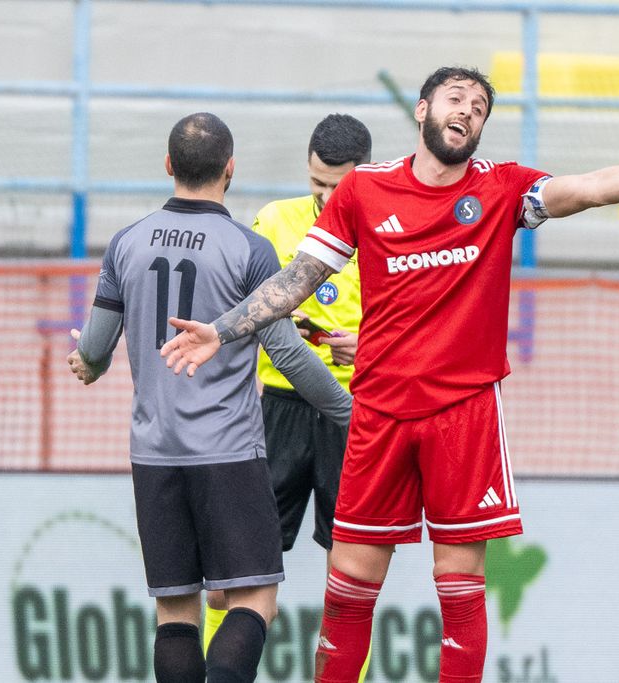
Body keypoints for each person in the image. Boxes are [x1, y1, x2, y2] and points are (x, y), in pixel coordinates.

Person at [160, 66, 619, 683]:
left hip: (464, 415)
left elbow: (587, 188)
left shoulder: (501, 189)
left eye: (479, 107)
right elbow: (297, 280)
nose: (466, 111)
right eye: (455, 99)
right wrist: (223, 330)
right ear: (423, 109)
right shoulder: (364, 190)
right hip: (377, 414)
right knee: (348, 592)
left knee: (460, 591)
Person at [66, 112, 352, 683]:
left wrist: (88, 363)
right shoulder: (250, 249)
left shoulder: (126, 243)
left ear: (168, 165)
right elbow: (289, 356)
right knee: (254, 599)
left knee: (175, 613)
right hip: (228, 452)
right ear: (230, 169)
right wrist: (351, 412)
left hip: (154, 454)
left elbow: (95, 348)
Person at [202, 113, 372, 683]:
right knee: (231, 581)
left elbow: (421, 323)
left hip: (354, 412)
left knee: (350, 581)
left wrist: (368, 345)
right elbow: (236, 302)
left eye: (337, 186)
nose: (324, 196)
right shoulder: (275, 220)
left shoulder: (392, 232)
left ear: (363, 175)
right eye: (316, 181)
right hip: (276, 407)